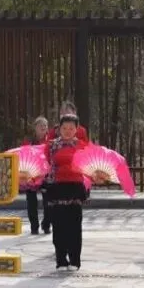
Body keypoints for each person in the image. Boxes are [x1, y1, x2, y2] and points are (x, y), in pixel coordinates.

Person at [43, 114, 88, 270]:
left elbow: (88, 167)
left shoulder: (82, 146)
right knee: (58, 225)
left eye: (71, 128)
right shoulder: (51, 146)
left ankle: (75, 260)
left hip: (75, 188)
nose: (68, 131)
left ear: (76, 129)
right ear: (59, 129)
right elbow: (44, 165)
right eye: (64, 128)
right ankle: (61, 259)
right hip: (57, 188)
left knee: (74, 225)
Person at [23, 116, 51, 234]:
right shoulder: (28, 141)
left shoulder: (50, 141)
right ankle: (34, 226)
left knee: (48, 201)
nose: (43, 128)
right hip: (32, 174)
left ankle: (46, 225)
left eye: (45, 126)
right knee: (31, 201)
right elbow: (24, 154)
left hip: (46, 174)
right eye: (40, 126)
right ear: (35, 128)